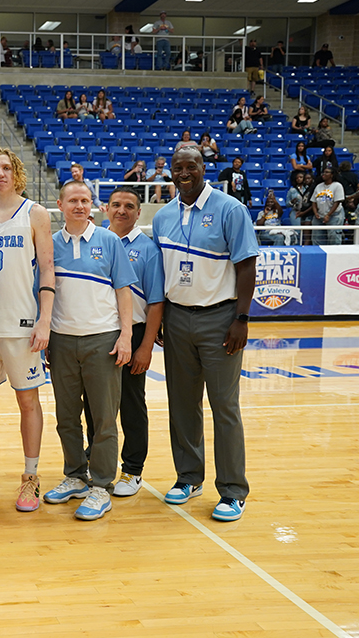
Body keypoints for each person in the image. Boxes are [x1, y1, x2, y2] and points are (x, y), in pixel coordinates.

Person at [153, 148, 258, 522]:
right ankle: (188, 477)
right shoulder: (163, 216)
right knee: (182, 404)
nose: (184, 173)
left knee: (224, 407)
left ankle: (232, 490)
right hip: (177, 319)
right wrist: (161, 318)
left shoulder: (230, 209)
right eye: (177, 167)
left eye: (190, 166)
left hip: (220, 319)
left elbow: (247, 266)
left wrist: (241, 318)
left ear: (203, 168)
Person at [0, 148, 54, 512]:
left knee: (27, 402)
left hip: (22, 326)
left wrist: (45, 319)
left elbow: (47, 269)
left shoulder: (35, 213)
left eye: (7, 168)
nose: (0, 173)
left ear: (16, 173)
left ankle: (30, 476)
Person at [42, 180, 135, 521]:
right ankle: (75, 476)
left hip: (102, 341)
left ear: (93, 206)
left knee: (103, 418)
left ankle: (101, 486)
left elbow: (124, 291)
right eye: (73, 200)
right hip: (62, 341)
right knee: (66, 417)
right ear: (60, 204)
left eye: (85, 200)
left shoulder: (109, 241)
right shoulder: (50, 245)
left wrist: (125, 336)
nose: (79, 205)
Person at [82, 187, 164, 498]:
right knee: (94, 404)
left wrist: (145, 347)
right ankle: (97, 461)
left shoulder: (148, 249)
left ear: (138, 212)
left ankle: (132, 469)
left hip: (135, 333)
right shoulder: (93, 242)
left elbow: (156, 302)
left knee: (131, 404)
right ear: (105, 208)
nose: (121, 211)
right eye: (116, 204)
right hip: (98, 332)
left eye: (129, 206)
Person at [311, 166, 345, 245]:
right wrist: (315, 213)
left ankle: (334, 256)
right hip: (319, 215)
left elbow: (337, 202)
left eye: (326, 172)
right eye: (323, 172)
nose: (323, 174)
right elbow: (313, 201)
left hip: (334, 216)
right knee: (317, 239)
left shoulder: (337, 186)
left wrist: (328, 215)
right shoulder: (319, 186)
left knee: (333, 238)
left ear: (332, 175)